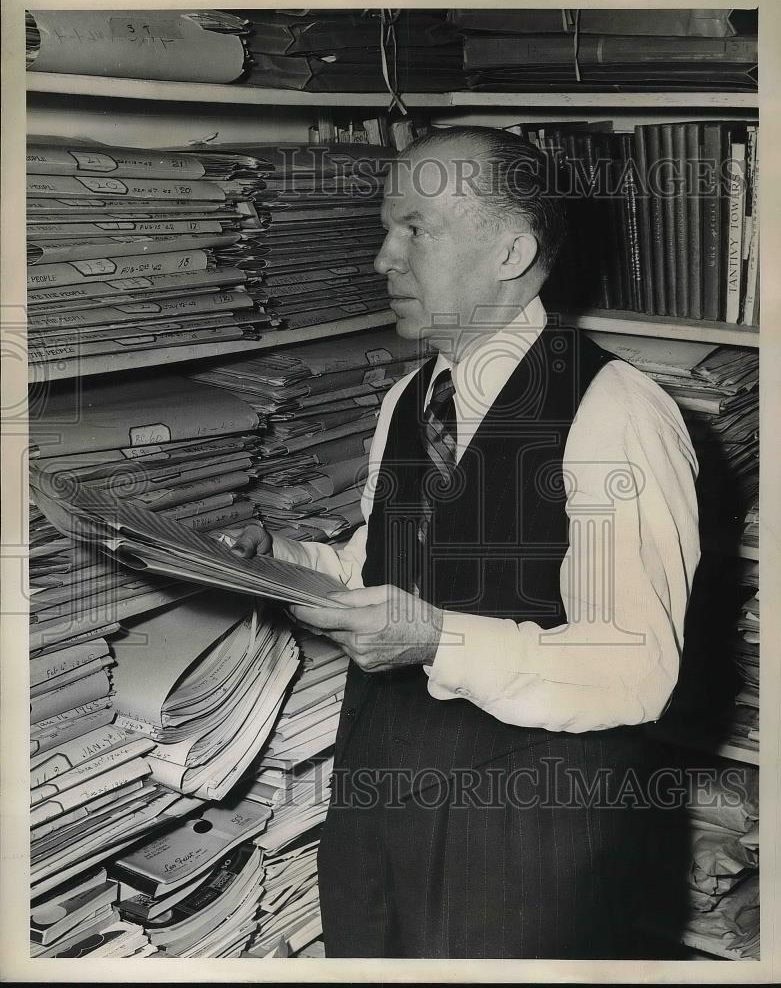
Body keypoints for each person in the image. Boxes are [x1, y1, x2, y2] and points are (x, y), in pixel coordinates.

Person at [229, 127, 700, 958]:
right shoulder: (411, 397)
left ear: (510, 251)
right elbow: (383, 568)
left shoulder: (617, 412)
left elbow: (634, 670)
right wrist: (269, 556)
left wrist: (430, 639)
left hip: (527, 830)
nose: (383, 259)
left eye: (415, 229)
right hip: (380, 796)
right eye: (386, 229)